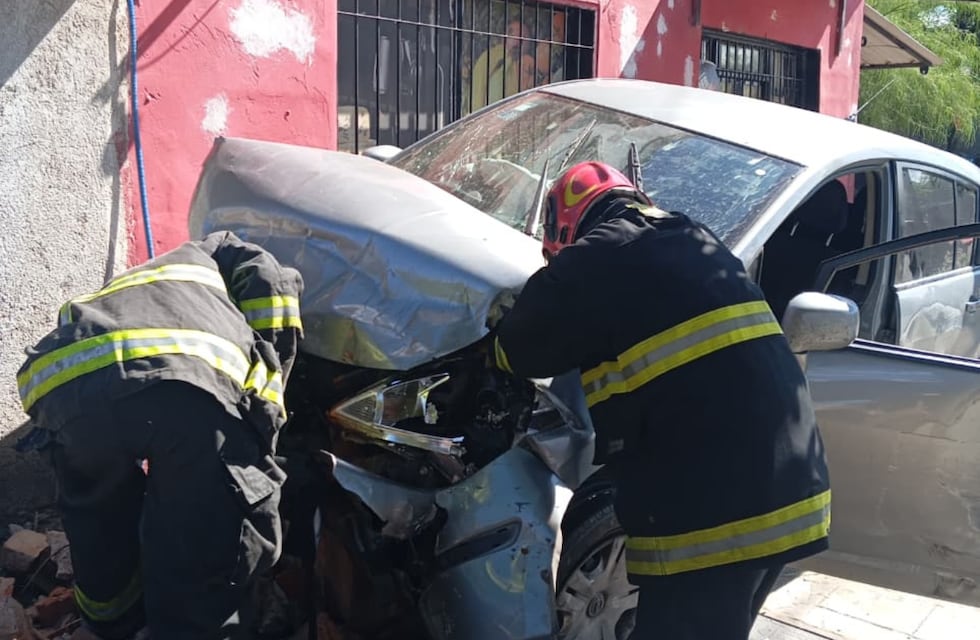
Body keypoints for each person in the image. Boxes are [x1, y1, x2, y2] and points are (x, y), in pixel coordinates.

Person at [490, 162, 831, 639]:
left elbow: (516, 349)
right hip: (790, 487)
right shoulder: (693, 237)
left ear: (562, 231)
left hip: (718, 508)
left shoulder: (593, 257)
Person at [16, 231, 305, 640]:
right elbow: (273, 316)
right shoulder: (244, 256)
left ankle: (109, 624)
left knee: (99, 521)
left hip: (60, 382)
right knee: (206, 531)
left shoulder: (157, 274)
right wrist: (263, 434)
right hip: (185, 380)